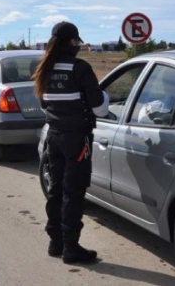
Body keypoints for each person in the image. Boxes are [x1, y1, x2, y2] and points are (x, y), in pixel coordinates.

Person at [32, 21, 109, 264]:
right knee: (73, 192)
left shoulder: (44, 68)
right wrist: (105, 97)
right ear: (72, 42)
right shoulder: (79, 68)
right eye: (77, 41)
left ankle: (56, 242)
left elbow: (45, 104)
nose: (78, 45)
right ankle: (71, 247)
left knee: (56, 190)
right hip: (77, 139)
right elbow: (100, 108)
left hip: (53, 136)